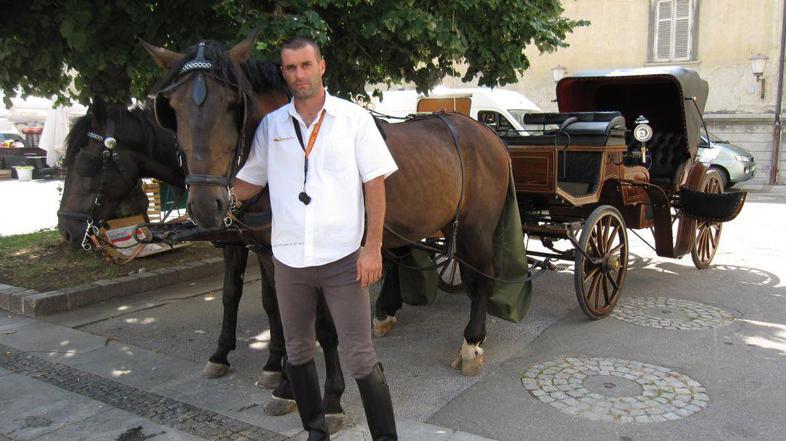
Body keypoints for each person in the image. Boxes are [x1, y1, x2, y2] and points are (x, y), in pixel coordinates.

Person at [232, 37, 398, 441]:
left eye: (306, 65)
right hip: (289, 260)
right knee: (298, 349)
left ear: (322, 66)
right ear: (284, 73)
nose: (299, 75)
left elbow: (374, 186)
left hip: (343, 259)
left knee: (360, 356)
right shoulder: (272, 126)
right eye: (290, 68)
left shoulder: (352, 118)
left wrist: (372, 247)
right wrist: (210, 200)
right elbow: (250, 181)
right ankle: (316, 431)